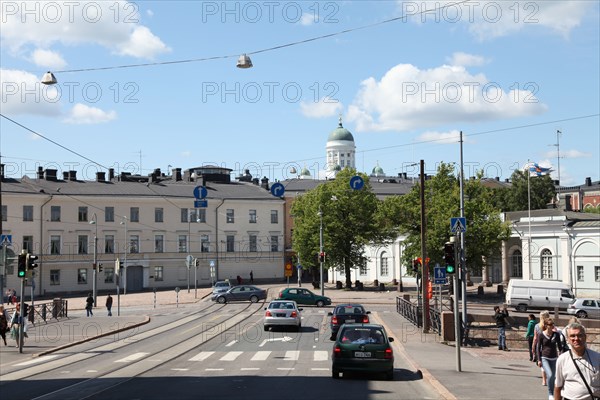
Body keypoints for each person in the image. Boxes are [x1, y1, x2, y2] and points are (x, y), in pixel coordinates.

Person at [554, 322, 600, 400]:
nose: (576, 339)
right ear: (568, 339)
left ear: (585, 337)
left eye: (579, 335)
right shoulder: (562, 359)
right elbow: (558, 386)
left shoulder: (597, 357)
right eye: (572, 336)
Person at [537, 318, 567, 400]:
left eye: (553, 324)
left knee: (553, 376)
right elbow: (538, 348)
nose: (552, 326)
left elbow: (560, 346)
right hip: (544, 357)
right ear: (546, 325)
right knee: (550, 375)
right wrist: (539, 360)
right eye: (550, 324)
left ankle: (554, 392)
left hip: (554, 358)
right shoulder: (541, 334)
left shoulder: (556, 334)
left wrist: (562, 353)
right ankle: (550, 394)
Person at [534, 310, 551, 385]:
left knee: (543, 363)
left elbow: (535, 338)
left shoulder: (537, 326)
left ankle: (544, 380)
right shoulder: (550, 325)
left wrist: (533, 348)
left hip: (540, 347)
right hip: (549, 346)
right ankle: (549, 377)